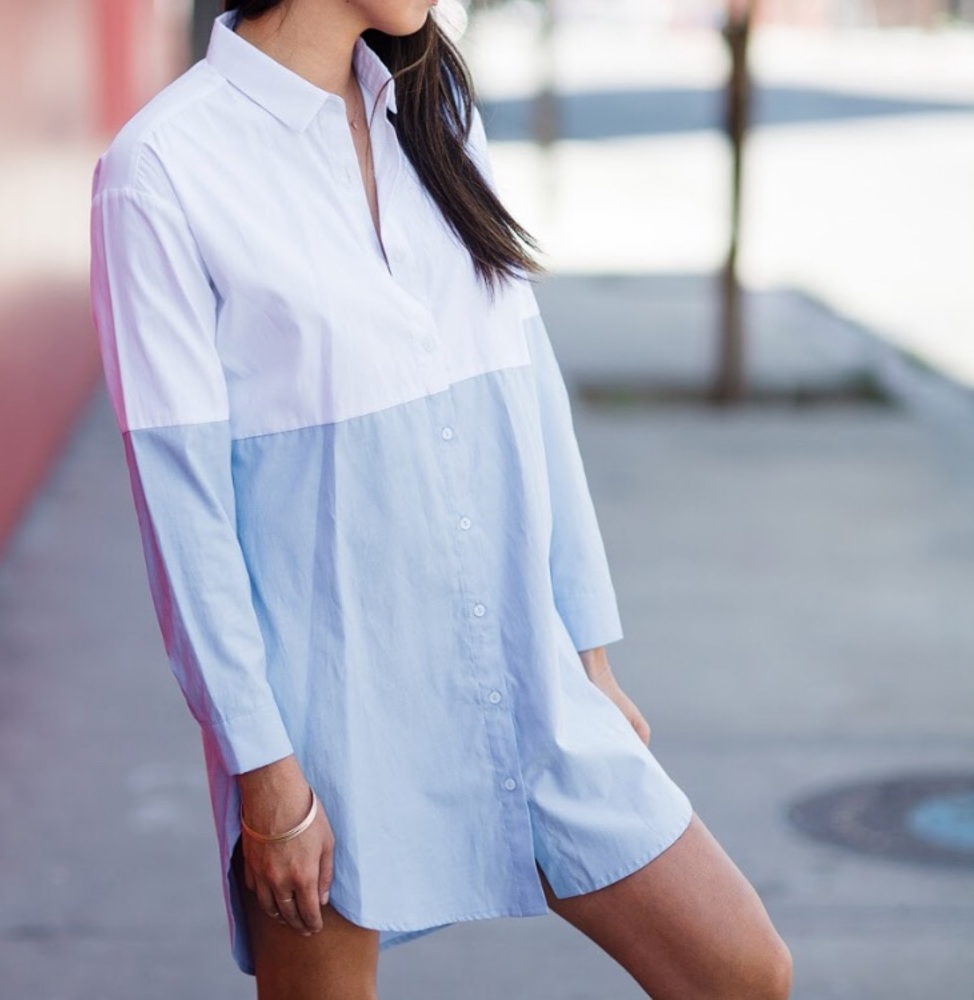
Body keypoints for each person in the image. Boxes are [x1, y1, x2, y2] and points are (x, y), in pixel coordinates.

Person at [89, 2, 793, 998]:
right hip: (329, 709)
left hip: (524, 666)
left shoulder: (437, 104)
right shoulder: (158, 171)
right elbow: (184, 521)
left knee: (741, 971)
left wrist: (586, 653)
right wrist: (265, 774)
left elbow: (526, 383)